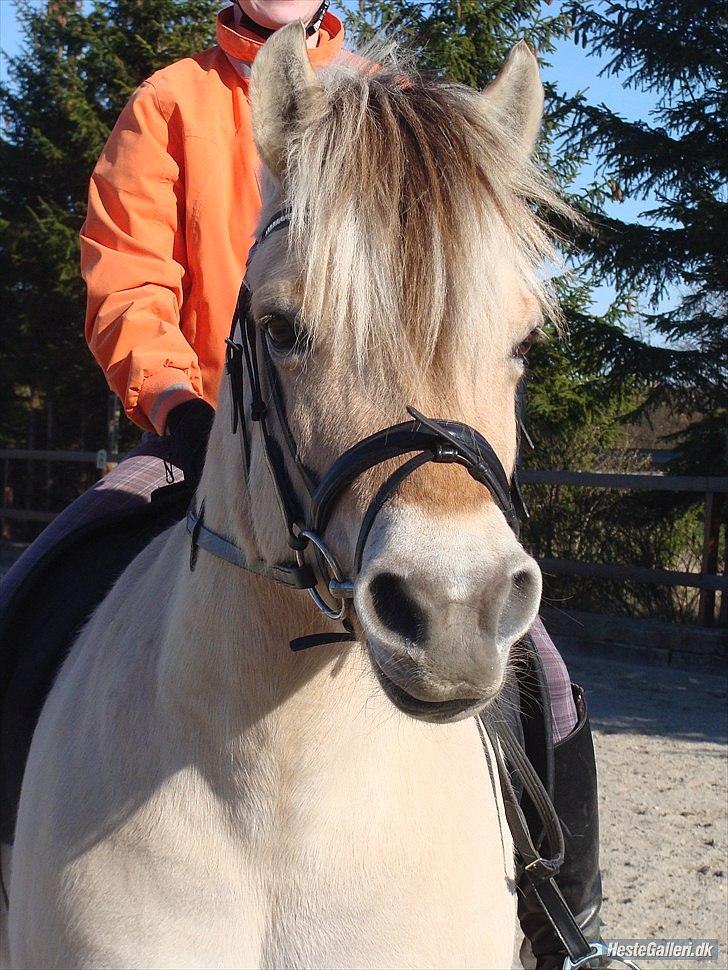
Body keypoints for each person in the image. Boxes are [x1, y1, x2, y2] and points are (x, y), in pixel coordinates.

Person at [0, 3, 602, 965]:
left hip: (362, 446)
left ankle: (563, 922)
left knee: (551, 688)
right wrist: (177, 406)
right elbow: (127, 283)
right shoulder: (172, 104)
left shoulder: (400, 113)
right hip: (196, 431)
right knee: (33, 594)